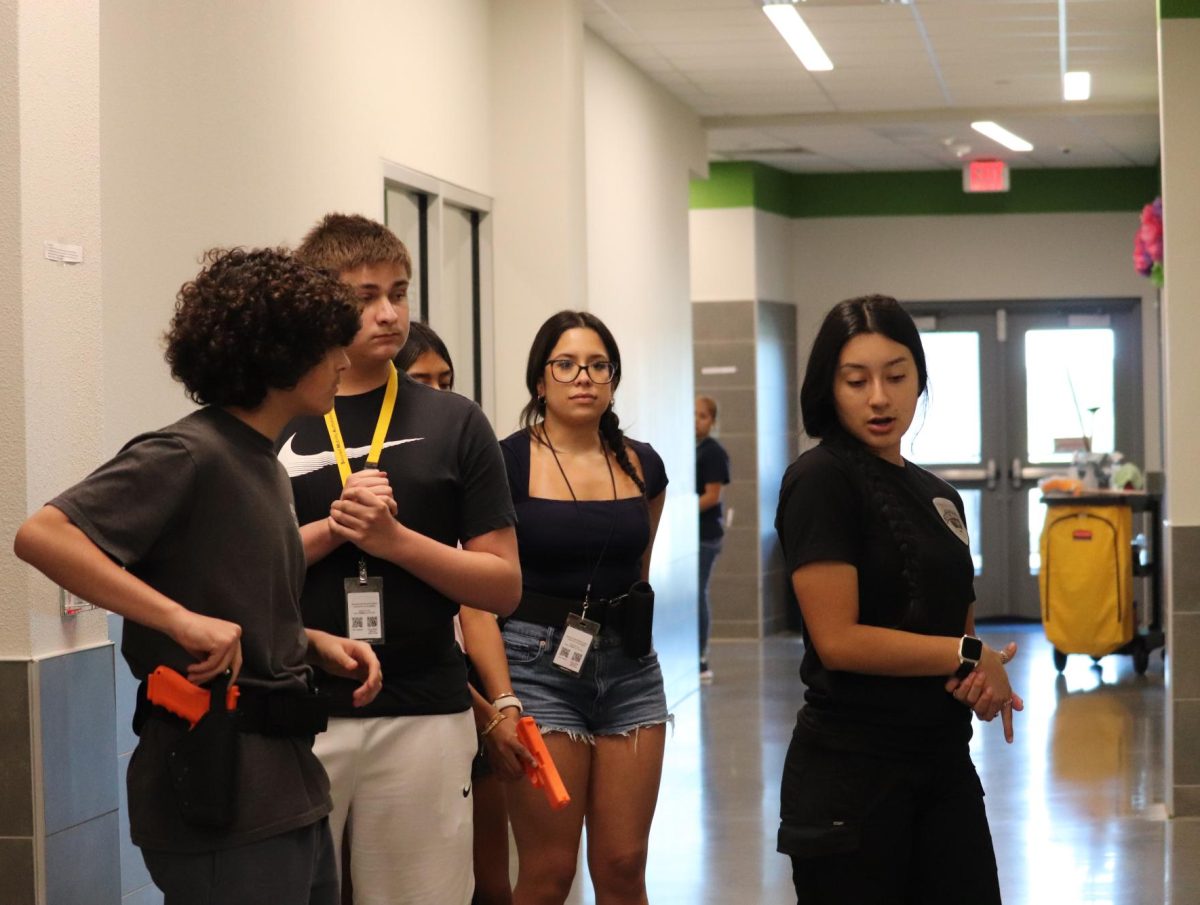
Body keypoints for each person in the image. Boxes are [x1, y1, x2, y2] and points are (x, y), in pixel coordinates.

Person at [13, 248, 383, 905]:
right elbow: (42, 535)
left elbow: (228, 585)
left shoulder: (262, 463)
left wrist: (310, 641)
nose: (344, 361)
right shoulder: (188, 453)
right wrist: (177, 620)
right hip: (221, 789)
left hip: (289, 784)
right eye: (330, 345)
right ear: (282, 354)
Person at [281, 214, 521, 905]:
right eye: (363, 296)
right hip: (301, 709)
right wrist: (333, 528)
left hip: (424, 709)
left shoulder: (455, 421)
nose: (388, 314)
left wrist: (394, 542)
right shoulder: (276, 419)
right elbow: (241, 572)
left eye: (399, 292)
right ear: (320, 302)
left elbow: (502, 586)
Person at [773, 294, 1024, 904]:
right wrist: (969, 655)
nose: (879, 397)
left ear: (919, 381)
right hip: (851, 778)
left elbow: (952, 629)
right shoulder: (820, 480)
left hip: (942, 765)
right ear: (828, 388)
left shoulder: (941, 496)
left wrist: (979, 683)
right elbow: (839, 641)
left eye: (896, 376)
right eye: (856, 380)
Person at [499, 310, 670, 905]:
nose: (584, 378)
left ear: (613, 378)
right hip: (536, 664)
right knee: (549, 871)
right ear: (539, 380)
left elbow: (639, 567)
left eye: (598, 366)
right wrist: (499, 697)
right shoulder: (506, 462)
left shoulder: (642, 464)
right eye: (566, 365)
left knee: (624, 864)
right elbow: (482, 586)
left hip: (630, 666)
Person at [395, 321, 533, 905]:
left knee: (492, 883)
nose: (438, 395)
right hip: (422, 692)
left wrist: (502, 707)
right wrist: (484, 715)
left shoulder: (458, 466)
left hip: (464, 688)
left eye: (445, 382)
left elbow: (478, 608)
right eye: (422, 380)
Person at [695, 394, 730, 682]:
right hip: (691, 534)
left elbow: (712, 495)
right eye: (692, 415)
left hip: (705, 535)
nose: (696, 421)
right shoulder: (689, 448)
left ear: (713, 422)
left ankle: (701, 658)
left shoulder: (713, 452)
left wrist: (682, 512)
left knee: (697, 594)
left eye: (702, 416)